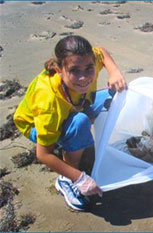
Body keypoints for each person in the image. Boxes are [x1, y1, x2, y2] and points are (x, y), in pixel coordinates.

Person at [13, 35, 127, 211]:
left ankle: (76, 142)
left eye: (89, 69)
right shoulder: (48, 102)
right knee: (80, 123)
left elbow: (101, 53)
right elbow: (43, 154)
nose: (83, 78)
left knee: (118, 95)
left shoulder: (88, 60)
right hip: (36, 124)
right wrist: (80, 177)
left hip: (77, 104)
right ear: (59, 69)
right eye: (74, 71)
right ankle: (66, 177)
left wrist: (115, 72)